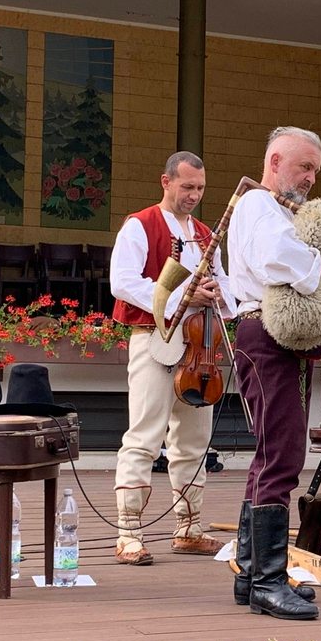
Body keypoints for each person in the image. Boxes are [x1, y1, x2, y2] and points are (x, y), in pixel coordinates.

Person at [227, 126, 321, 621]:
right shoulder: (259, 206)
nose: (310, 177)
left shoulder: (270, 209)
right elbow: (275, 260)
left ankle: (252, 575)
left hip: (273, 336)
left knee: (272, 454)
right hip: (264, 333)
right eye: (304, 166)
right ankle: (266, 582)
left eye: (315, 170)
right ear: (275, 160)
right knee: (281, 454)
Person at [110, 151, 235, 566]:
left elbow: (225, 288)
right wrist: (185, 294)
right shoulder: (139, 225)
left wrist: (218, 292)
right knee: (145, 434)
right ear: (166, 182)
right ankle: (129, 533)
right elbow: (123, 282)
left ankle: (189, 528)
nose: (194, 196)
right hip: (155, 337)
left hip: (200, 346)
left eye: (199, 188)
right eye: (187, 187)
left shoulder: (204, 234)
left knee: (194, 442)